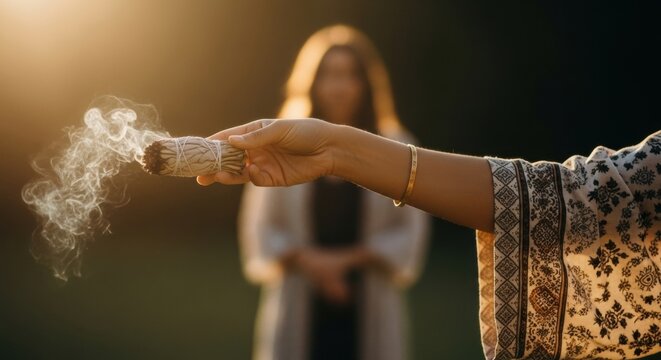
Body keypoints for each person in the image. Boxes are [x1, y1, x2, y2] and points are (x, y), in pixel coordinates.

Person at [198, 119, 660, 360]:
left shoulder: (394, 134)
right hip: (300, 297)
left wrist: (338, 153)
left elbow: (579, 204)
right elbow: (576, 199)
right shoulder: (289, 142)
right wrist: (336, 151)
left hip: (370, 295)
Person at [236, 25, 429, 360]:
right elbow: (261, 227)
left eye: (349, 75)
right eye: (329, 75)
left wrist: (343, 262)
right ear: (311, 82)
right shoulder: (282, 144)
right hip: (299, 298)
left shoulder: (398, 146)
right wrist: (311, 264)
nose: (339, 87)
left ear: (366, 83)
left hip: (368, 301)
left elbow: (410, 232)